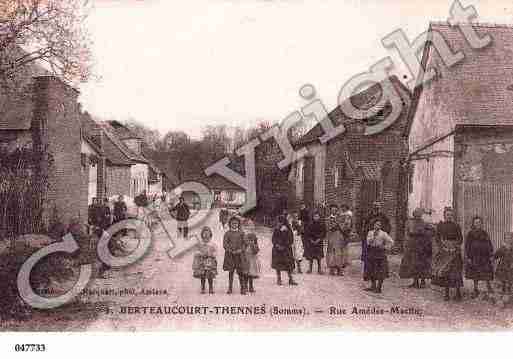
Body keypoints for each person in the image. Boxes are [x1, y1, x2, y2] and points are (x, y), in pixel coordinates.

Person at [431, 207, 464, 301]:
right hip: (444, 251)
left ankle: (458, 293)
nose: (449, 217)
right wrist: (443, 247)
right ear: (444, 216)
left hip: (454, 251)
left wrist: (455, 246)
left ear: (452, 216)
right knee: (446, 272)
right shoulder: (441, 226)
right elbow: (437, 238)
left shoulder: (456, 226)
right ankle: (446, 293)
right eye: (447, 215)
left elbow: (460, 238)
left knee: (456, 272)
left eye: (450, 215)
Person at [399, 208, 434, 289]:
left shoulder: (424, 223)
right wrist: (406, 244)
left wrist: (425, 234)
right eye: (416, 214)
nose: (417, 216)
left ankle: (422, 281)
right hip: (412, 246)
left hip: (422, 246)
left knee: (422, 264)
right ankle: (415, 281)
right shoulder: (410, 222)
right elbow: (407, 234)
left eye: (419, 214)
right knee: (413, 264)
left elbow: (432, 231)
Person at [465, 216, 494, 298]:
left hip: (485, 257)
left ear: (481, 224)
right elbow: (467, 246)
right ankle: (475, 289)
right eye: (476, 222)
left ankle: (488, 286)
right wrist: (469, 257)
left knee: (487, 271)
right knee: (475, 273)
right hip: (475, 256)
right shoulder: (470, 233)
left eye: (479, 222)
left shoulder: (485, 233)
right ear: (473, 224)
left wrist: (491, 254)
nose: (478, 224)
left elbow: (489, 243)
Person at [361, 201, 391, 279]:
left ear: (380, 207)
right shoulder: (368, 216)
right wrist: (365, 236)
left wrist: (383, 235)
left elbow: (388, 226)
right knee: (368, 258)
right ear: (372, 207)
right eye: (375, 206)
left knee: (380, 260)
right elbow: (364, 226)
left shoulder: (383, 216)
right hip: (370, 238)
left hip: (379, 240)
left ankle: (379, 276)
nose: (376, 207)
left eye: (378, 206)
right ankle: (367, 275)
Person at [364, 219, 394, 293]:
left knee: (381, 270)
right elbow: (368, 242)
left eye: (379, 225)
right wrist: (373, 236)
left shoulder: (383, 234)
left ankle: (379, 287)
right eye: (376, 224)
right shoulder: (370, 233)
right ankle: (373, 285)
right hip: (372, 251)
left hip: (380, 253)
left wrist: (385, 247)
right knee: (371, 269)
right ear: (373, 225)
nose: (377, 226)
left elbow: (391, 241)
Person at [223, 216, 247, 294]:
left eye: (236, 223)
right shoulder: (227, 233)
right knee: (231, 272)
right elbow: (225, 244)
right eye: (233, 223)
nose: (234, 225)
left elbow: (245, 243)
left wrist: (240, 250)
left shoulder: (242, 233)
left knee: (240, 272)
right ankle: (230, 288)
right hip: (230, 256)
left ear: (238, 224)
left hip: (239, 256)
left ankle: (242, 288)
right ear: (230, 224)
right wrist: (230, 250)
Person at [272, 215, 298, 286]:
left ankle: (290, 279)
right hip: (277, 249)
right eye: (279, 222)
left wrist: (285, 246)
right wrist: (277, 245)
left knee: (288, 264)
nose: (280, 223)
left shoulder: (288, 229)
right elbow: (274, 239)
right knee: (278, 264)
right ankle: (279, 278)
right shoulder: (276, 229)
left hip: (286, 249)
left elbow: (291, 239)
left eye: (281, 222)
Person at [192, 226, 217, 294]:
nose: (206, 235)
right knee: (202, 275)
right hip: (202, 262)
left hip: (210, 261)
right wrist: (200, 254)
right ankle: (203, 288)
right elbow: (196, 252)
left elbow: (215, 252)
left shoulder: (212, 244)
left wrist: (211, 254)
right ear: (202, 235)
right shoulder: (199, 244)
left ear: (210, 234)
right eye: (204, 233)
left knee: (210, 275)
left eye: (207, 233)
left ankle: (211, 288)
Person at [326, 204, 346, 276]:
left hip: (338, 235)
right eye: (332, 210)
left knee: (339, 252)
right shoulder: (328, 219)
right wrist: (332, 226)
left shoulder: (340, 218)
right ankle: (332, 269)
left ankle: (339, 269)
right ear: (330, 210)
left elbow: (343, 227)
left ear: (337, 210)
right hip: (331, 236)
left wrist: (338, 224)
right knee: (331, 252)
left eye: (335, 210)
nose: (334, 211)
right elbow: (328, 227)